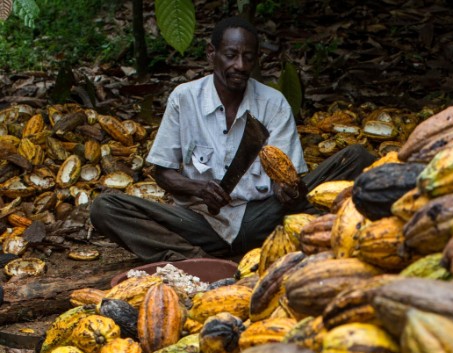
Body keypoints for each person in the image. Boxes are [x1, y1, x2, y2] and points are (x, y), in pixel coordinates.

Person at [90, 16, 376, 263]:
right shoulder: (184, 98)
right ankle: (194, 259)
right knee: (106, 208)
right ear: (211, 54)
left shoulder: (272, 103)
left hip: (262, 218)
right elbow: (162, 172)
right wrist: (198, 188)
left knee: (357, 158)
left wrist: (286, 190)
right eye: (231, 55)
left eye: (248, 57)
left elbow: (285, 174)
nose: (240, 65)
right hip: (200, 222)